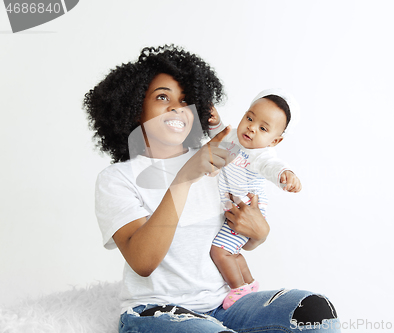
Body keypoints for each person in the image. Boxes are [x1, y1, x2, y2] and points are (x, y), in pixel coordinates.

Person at [84, 44, 341, 332]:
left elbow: (240, 227)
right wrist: (183, 178)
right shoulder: (118, 178)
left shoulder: (220, 155)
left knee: (317, 314)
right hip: (156, 310)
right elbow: (143, 261)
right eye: (161, 97)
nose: (176, 108)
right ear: (134, 109)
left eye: (185, 101)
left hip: (224, 306)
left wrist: (260, 233)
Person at [208, 89, 302, 309]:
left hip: (248, 210)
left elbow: (272, 167)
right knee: (233, 253)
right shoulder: (233, 138)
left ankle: (238, 290)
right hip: (233, 207)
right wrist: (215, 120)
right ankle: (249, 283)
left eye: (263, 128)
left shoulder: (261, 154)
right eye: (249, 118)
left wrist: (285, 175)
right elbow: (220, 133)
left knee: (219, 251)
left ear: (275, 140)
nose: (251, 127)